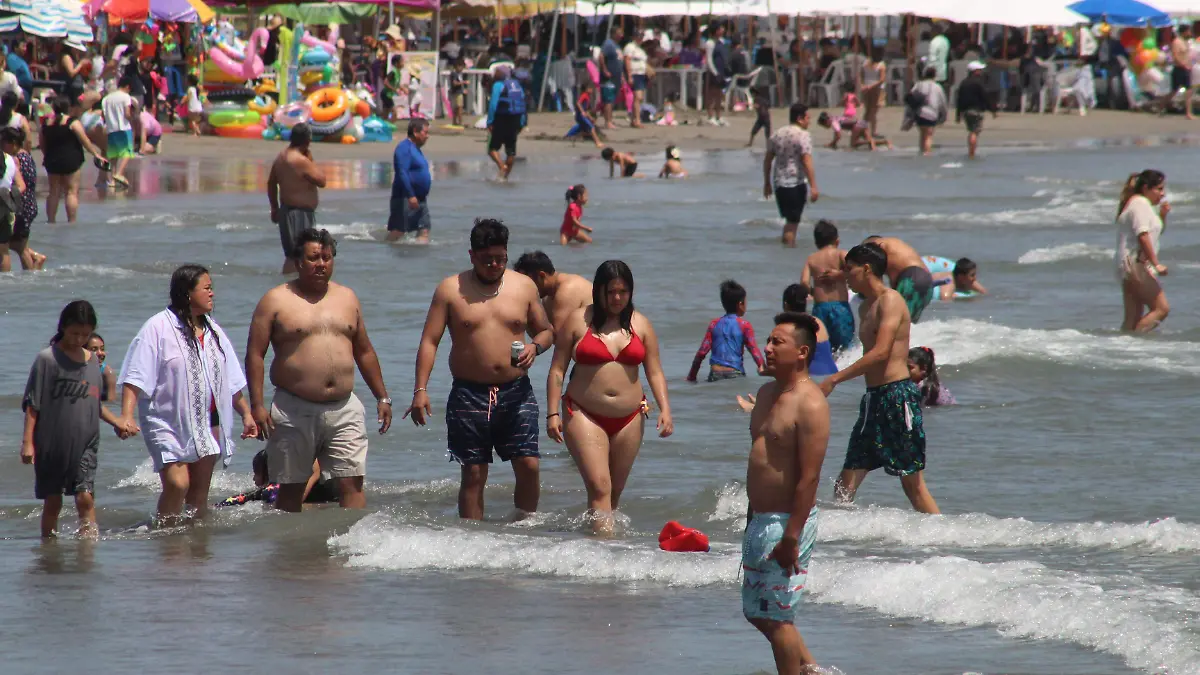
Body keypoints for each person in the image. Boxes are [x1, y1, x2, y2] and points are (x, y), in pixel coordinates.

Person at [404, 219, 554, 520]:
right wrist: (420, 390)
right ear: (472, 255)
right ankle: (472, 542)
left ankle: (524, 531)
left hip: (516, 392)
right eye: (487, 260)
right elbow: (430, 341)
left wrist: (534, 347)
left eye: (501, 258)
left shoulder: (523, 286)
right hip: (468, 393)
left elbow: (547, 331)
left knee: (528, 465)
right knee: (473, 472)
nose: (495, 265)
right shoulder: (450, 291)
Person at [246, 229, 392, 513]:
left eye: (326, 257)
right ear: (298, 262)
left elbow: (364, 351)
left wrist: (382, 397)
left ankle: (355, 548)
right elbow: (255, 355)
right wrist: (257, 405)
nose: (321, 263)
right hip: (293, 408)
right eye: (313, 258)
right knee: (290, 487)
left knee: (352, 483)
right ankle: (292, 554)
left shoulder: (347, 298)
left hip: (344, 407)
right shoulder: (275, 300)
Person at [117, 265, 257, 525]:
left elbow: (231, 380)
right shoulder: (157, 328)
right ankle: (166, 538)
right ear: (187, 294)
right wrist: (126, 414)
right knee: (178, 484)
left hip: (207, 423)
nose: (212, 293)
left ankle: (196, 550)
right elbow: (135, 376)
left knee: (198, 496)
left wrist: (247, 414)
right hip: (167, 422)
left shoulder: (213, 331)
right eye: (207, 288)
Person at [545, 260, 673, 534]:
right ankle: (604, 554)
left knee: (613, 495)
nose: (617, 298)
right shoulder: (577, 320)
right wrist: (552, 412)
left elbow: (655, 372)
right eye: (610, 292)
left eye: (623, 292)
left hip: (630, 417)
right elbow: (557, 369)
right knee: (600, 487)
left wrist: (665, 409)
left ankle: (599, 550)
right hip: (583, 413)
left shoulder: (641, 324)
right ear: (598, 291)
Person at [819, 243, 940, 514]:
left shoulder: (891, 301)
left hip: (898, 397)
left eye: (848, 269)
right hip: (873, 399)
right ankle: (838, 546)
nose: (845, 275)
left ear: (866, 268)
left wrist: (834, 379)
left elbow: (881, 353)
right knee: (844, 484)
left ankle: (943, 542)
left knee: (912, 483)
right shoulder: (865, 308)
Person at [742, 312, 829, 675]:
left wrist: (792, 535)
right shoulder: (765, 394)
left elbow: (809, 479)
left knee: (778, 618)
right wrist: (750, 520)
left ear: (802, 352)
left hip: (788, 523)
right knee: (757, 611)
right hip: (760, 520)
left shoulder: (810, 403)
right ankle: (810, 669)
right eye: (769, 341)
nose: (767, 348)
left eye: (778, 342)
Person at [22, 301, 130, 539]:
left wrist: (118, 423)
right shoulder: (47, 359)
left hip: (86, 443)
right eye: (74, 333)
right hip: (51, 443)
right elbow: (33, 404)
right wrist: (27, 443)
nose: (79, 339)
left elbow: (94, 404)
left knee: (85, 497)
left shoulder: (92, 361)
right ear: (63, 328)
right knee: (53, 501)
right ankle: (48, 547)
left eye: (85, 334)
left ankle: (88, 547)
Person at [1115, 170, 1170, 332]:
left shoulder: (1137, 204)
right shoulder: (1140, 203)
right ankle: (1133, 344)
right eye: (1159, 189)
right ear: (1146, 188)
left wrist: (1162, 216)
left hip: (1128, 264)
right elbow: (1143, 236)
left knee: (1132, 318)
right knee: (1161, 309)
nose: (1163, 193)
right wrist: (1156, 264)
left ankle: (1122, 348)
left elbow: (1152, 234)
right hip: (1135, 264)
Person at [267, 123, 325, 275]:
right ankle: (294, 288)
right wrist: (310, 159)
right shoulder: (300, 160)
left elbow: (271, 183)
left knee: (292, 255)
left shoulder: (281, 157)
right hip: (299, 213)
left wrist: (274, 207)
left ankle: (286, 285)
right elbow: (321, 180)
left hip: (286, 211)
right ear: (307, 141)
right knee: (300, 255)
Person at [40, 95, 105, 227]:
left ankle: (50, 221)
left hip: (52, 160)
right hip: (71, 160)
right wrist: (96, 154)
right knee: (71, 192)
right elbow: (84, 140)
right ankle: (72, 222)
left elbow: (42, 144)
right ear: (68, 108)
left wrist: (48, 156)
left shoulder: (46, 123)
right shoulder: (72, 122)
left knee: (53, 192)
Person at [687, 279, 765, 382]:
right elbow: (754, 350)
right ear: (740, 304)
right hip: (735, 372)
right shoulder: (745, 325)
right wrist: (763, 367)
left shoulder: (714, 324)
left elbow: (702, 352)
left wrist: (691, 377)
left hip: (715, 373)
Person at [763, 103, 819, 247]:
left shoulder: (777, 134)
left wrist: (767, 183)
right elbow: (807, 161)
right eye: (808, 118)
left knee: (789, 221)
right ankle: (789, 249)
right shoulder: (803, 135)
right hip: (795, 183)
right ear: (800, 119)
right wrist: (814, 186)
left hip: (779, 183)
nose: (809, 121)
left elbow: (768, 160)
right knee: (793, 223)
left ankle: (786, 248)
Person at [214, 449, 339, 508]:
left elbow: (245, 497)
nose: (253, 479)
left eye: (256, 473)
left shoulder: (272, 489)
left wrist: (219, 505)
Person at [803, 220, 854, 353]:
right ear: (836, 240)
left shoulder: (811, 259)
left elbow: (804, 282)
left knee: (822, 348)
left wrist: (814, 292)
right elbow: (855, 270)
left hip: (819, 308)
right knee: (844, 347)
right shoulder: (840, 254)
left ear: (816, 242)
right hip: (840, 307)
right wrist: (839, 274)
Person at [863, 235, 935, 323]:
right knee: (908, 324)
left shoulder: (878, 244)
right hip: (927, 282)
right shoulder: (895, 245)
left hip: (911, 280)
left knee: (897, 323)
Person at [513, 251, 593, 328]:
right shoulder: (547, 298)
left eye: (528, 282)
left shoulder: (567, 290)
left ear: (541, 275)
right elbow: (545, 334)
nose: (525, 288)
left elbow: (560, 338)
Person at [387, 118, 432, 243]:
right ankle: (386, 249)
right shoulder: (404, 148)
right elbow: (402, 172)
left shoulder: (416, 149)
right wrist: (411, 195)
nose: (427, 136)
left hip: (420, 199)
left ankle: (421, 259)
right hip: (405, 197)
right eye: (425, 132)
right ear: (415, 132)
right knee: (398, 231)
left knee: (424, 229)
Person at [486, 65, 527, 180]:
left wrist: (490, 121)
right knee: (511, 152)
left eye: (497, 72)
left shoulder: (498, 85)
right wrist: (523, 123)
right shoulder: (517, 85)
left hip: (501, 118)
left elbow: (493, 105)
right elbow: (523, 104)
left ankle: (502, 167)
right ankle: (505, 177)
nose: (495, 74)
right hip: (515, 119)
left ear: (501, 74)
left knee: (492, 149)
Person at [955, 61, 997, 160]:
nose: (981, 72)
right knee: (974, 132)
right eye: (979, 70)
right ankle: (972, 153)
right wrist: (993, 110)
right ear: (975, 71)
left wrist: (958, 115)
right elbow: (985, 97)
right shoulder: (978, 83)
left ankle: (971, 151)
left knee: (971, 131)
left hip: (966, 111)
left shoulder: (964, 83)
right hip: (977, 110)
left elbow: (959, 99)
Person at [0, 125, 26, 273]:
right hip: (6, 206)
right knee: (3, 250)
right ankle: (5, 283)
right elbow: (21, 186)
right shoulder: (10, 160)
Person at [101, 77, 135, 189]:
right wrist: (133, 120)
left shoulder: (106, 99)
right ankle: (119, 174)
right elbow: (127, 113)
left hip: (111, 128)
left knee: (113, 155)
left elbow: (104, 115)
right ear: (127, 87)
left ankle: (111, 180)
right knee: (127, 152)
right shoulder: (126, 97)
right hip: (123, 127)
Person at [908, 67, 947, 156]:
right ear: (935, 75)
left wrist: (909, 115)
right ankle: (927, 154)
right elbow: (943, 102)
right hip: (932, 113)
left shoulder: (918, 85)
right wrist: (944, 116)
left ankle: (921, 152)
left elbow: (910, 97)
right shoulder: (937, 87)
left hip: (919, 113)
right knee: (928, 135)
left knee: (923, 134)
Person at [703, 22, 730, 126]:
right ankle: (710, 116)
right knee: (711, 95)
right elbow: (709, 59)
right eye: (720, 28)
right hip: (713, 72)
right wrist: (715, 73)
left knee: (720, 95)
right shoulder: (710, 43)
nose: (722, 30)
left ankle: (719, 116)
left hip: (722, 71)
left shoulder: (722, 42)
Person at [599, 27, 625, 129]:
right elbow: (601, 56)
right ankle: (608, 122)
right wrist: (605, 70)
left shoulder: (616, 45)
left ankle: (610, 120)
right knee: (608, 100)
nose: (621, 36)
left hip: (616, 77)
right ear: (614, 34)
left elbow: (619, 62)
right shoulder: (608, 43)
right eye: (619, 33)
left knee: (612, 99)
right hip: (608, 78)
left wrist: (622, 76)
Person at [565, 80, 604, 148]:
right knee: (591, 127)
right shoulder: (584, 95)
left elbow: (586, 110)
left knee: (582, 127)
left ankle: (571, 136)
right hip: (580, 116)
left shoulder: (587, 96)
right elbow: (578, 103)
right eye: (591, 88)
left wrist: (590, 117)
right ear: (587, 89)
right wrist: (582, 111)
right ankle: (597, 142)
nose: (592, 90)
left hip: (581, 116)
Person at [624, 36, 649, 128]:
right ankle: (637, 120)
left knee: (639, 98)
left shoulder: (641, 49)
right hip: (635, 73)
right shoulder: (630, 47)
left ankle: (634, 119)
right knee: (638, 97)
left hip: (642, 73)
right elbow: (627, 60)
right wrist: (629, 75)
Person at [1170, 25, 1193, 120]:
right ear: (1184, 32)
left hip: (1186, 69)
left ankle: (1188, 113)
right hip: (1179, 69)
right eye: (1188, 31)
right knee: (1174, 91)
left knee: (1188, 91)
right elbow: (1175, 56)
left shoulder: (1185, 42)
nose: (1190, 33)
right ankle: (1161, 105)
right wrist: (1184, 65)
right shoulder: (1176, 42)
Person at [85, 333, 117, 402]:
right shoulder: (75, 372)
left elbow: (111, 403)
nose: (100, 353)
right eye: (94, 349)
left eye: (102, 349)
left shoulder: (107, 373)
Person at [863, 47, 887, 137]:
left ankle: (864, 129)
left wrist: (863, 85)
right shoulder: (881, 65)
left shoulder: (865, 63)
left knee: (868, 111)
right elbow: (882, 79)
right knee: (873, 111)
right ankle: (872, 131)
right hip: (877, 89)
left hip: (867, 87)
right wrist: (871, 86)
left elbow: (861, 75)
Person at [927, 23, 950, 89]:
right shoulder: (945, 40)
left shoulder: (934, 41)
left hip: (934, 72)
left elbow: (932, 58)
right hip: (943, 72)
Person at [449, 58, 468, 127]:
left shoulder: (459, 74)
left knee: (456, 108)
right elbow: (455, 83)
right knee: (459, 108)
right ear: (457, 66)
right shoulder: (454, 73)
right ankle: (460, 122)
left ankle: (455, 121)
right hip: (456, 92)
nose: (462, 69)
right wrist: (464, 82)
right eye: (462, 67)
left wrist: (463, 90)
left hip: (458, 92)